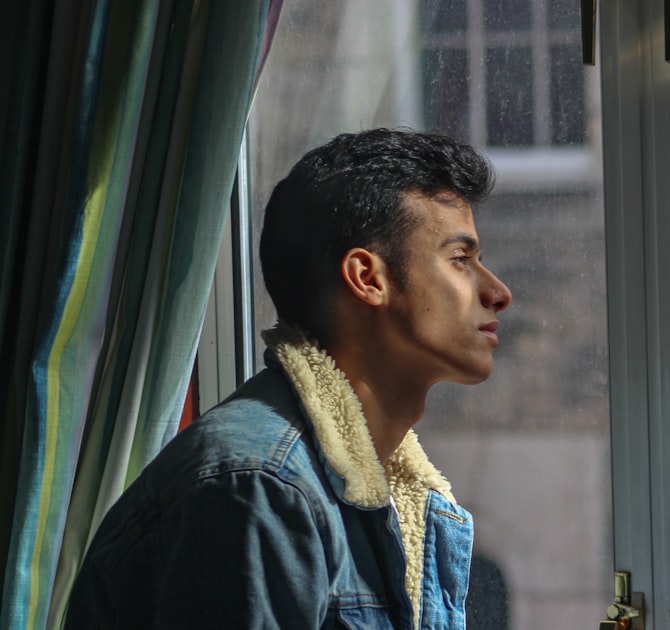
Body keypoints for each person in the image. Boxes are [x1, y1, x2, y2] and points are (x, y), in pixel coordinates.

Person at [65, 128, 513, 629]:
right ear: (368, 278)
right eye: (461, 259)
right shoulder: (258, 485)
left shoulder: (401, 496)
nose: (498, 292)